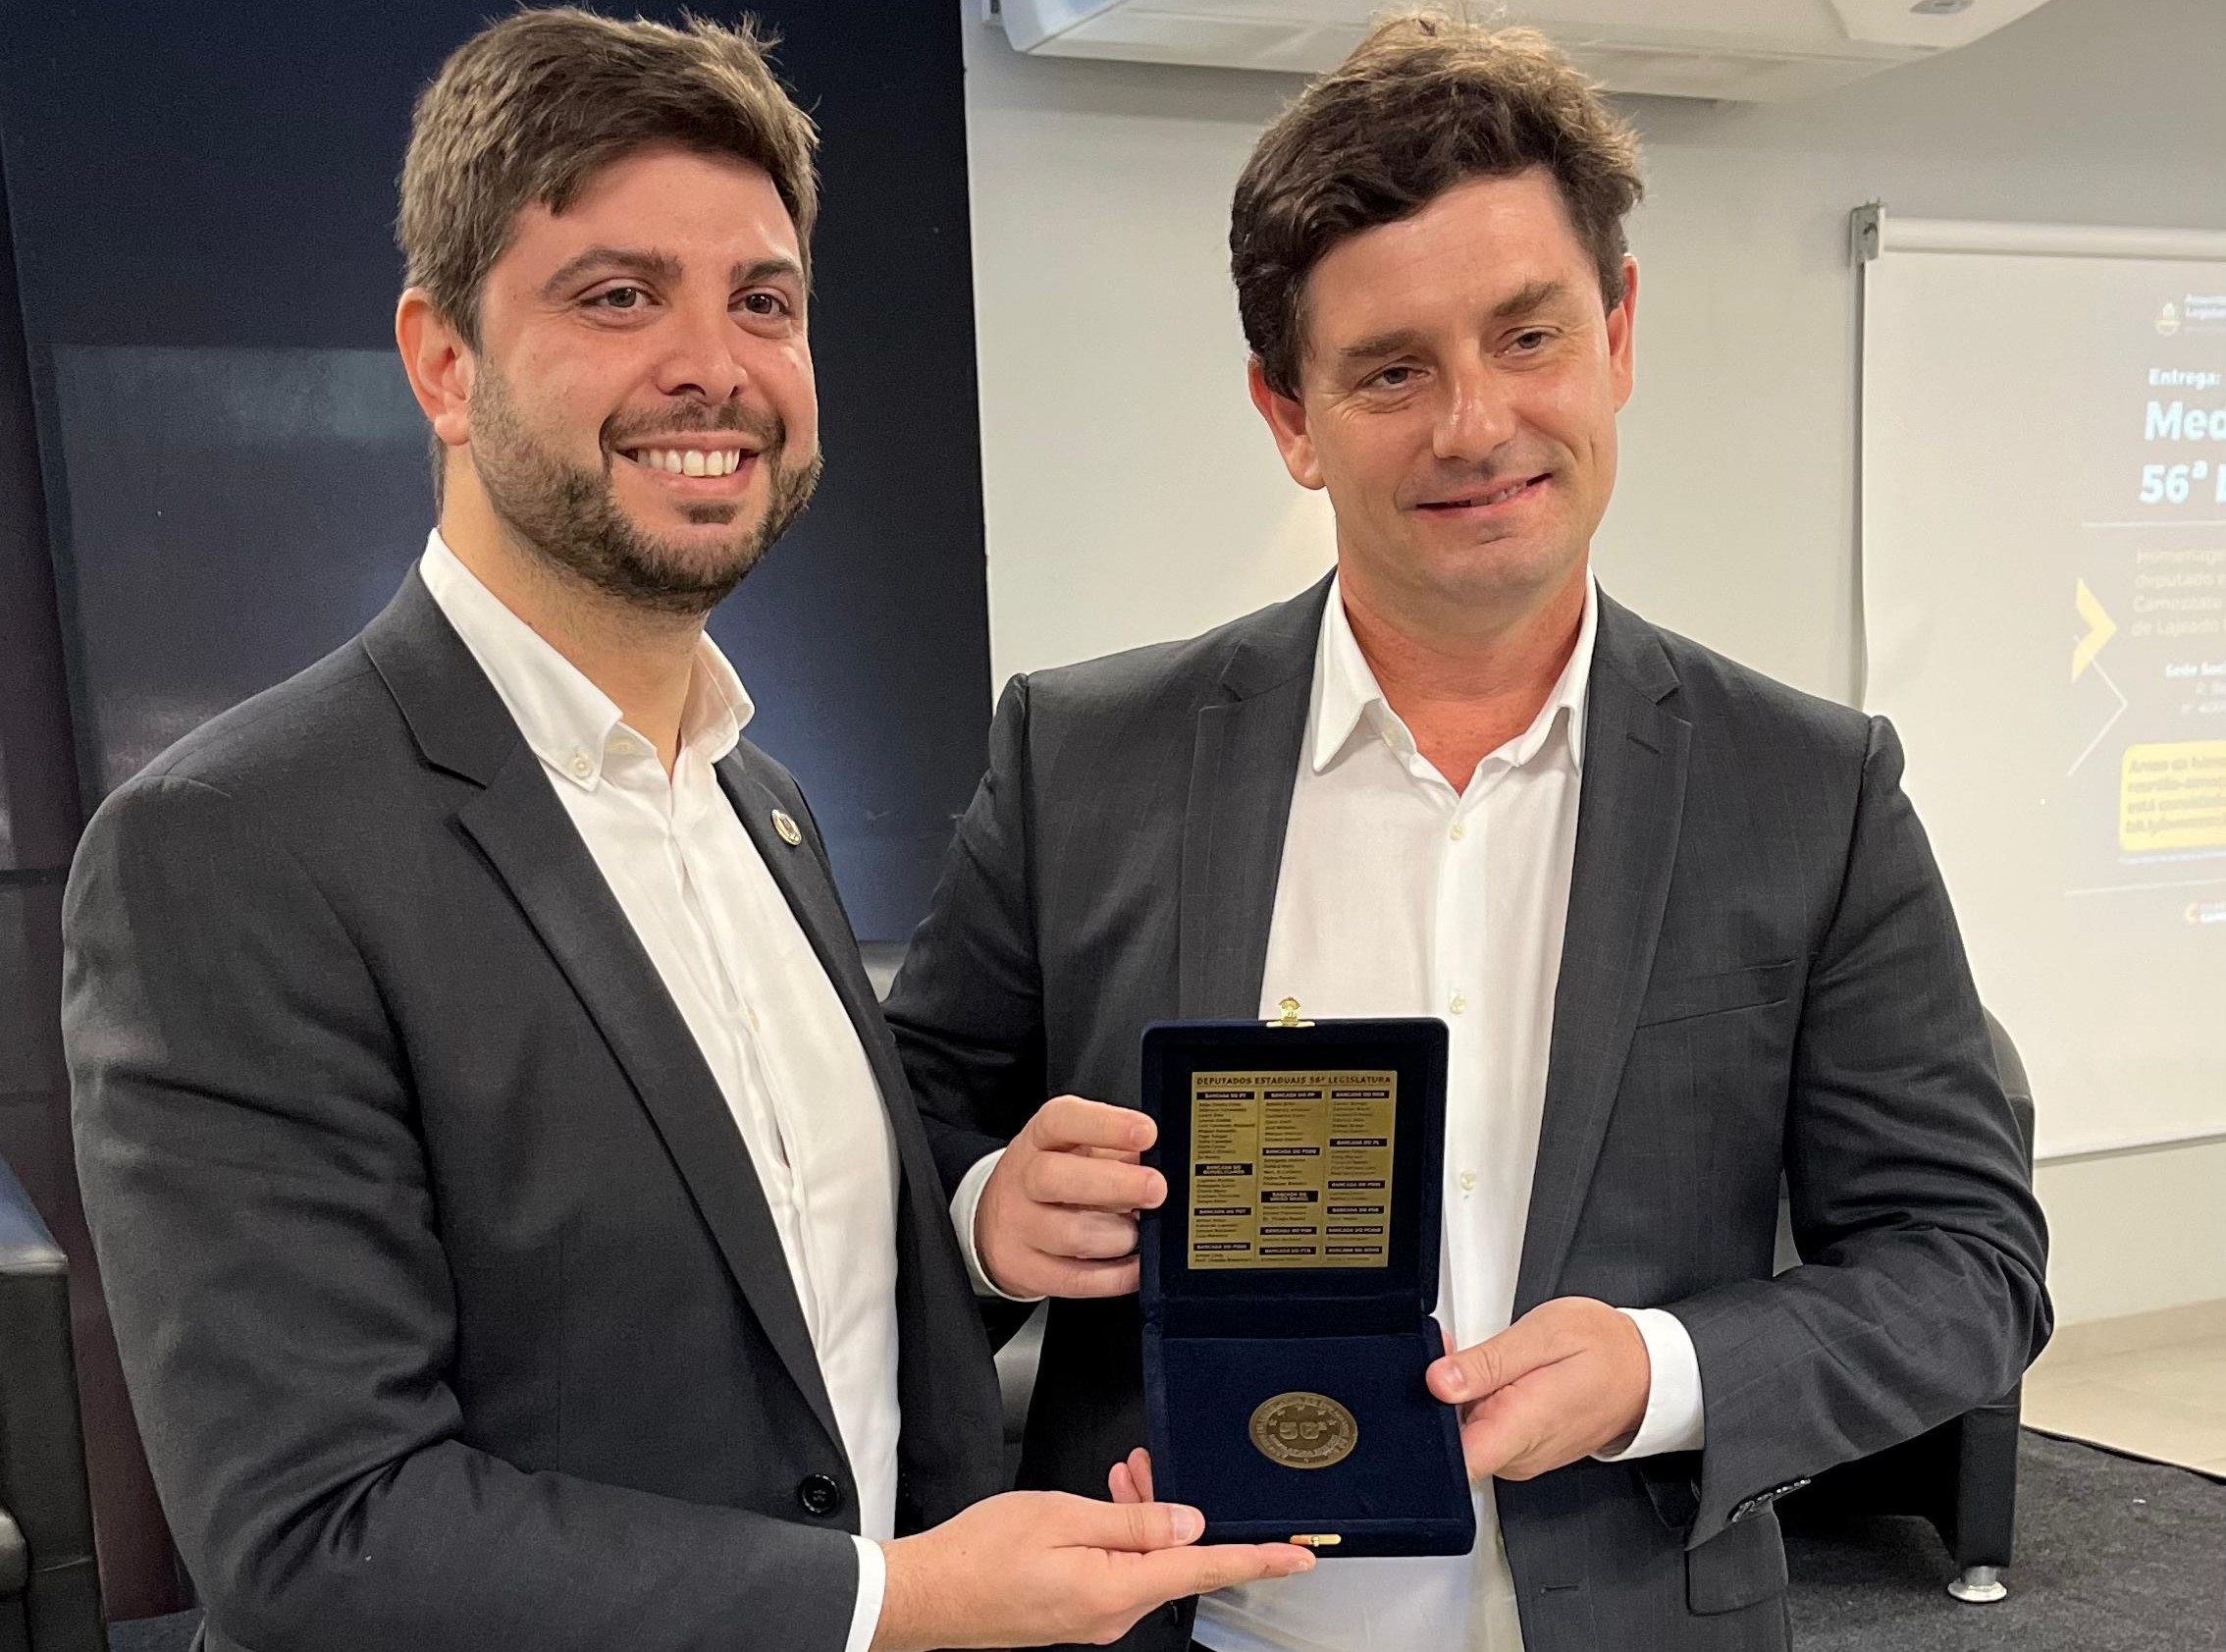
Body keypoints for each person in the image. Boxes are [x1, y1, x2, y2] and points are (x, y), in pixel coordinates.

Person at [62, 12, 1311, 1652]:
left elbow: (787, 1321)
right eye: (617, 295)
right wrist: (901, 1600)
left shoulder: (758, 804)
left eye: (764, 302)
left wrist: (976, 1232)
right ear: (444, 363)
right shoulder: (229, 849)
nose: (715, 366)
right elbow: (321, 1535)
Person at [883, 14, 2049, 1651]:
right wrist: (984, 1214)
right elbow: (897, 1137)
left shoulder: (1809, 790)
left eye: (1528, 336)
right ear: (1288, 413)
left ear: (1618, 335)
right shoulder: (1084, 760)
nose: (1477, 425)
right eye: (1391, 370)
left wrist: (1661, 1370)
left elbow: (1969, 1263)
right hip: (1173, 1622)